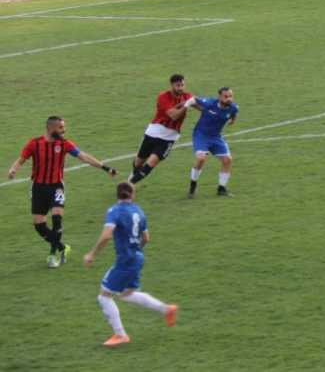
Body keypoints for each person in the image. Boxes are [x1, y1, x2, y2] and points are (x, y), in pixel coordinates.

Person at [6, 116, 117, 268]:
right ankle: (62, 248)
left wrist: (106, 168)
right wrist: (13, 170)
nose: (64, 131)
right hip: (38, 187)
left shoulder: (64, 144)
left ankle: (52, 255)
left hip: (56, 186)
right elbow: (21, 159)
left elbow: (83, 156)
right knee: (39, 226)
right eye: (61, 128)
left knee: (57, 218)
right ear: (51, 128)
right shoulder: (35, 143)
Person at [83, 182, 178, 347]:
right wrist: (135, 250)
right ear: (132, 194)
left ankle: (120, 335)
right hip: (137, 258)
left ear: (117, 194)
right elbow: (146, 238)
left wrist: (92, 254)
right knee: (127, 294)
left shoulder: (114, 211)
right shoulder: (138, 211)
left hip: (125, 261)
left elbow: (106, 236)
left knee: (104, 296)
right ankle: (166, 309)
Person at [129, 74, 193, 186]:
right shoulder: (163, 97)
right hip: (154, 132)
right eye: (178, 85)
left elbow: (200, 104)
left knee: (151, 163)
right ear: (172, 85)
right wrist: (186, 105)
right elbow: (174, 116)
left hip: (169, 137)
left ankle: (129, 185)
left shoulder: (187, 96)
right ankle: (133, 176)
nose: (181, 88)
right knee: (139, 162)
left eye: (182, 85)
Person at [185, 86, 240, 198]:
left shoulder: (233, 108)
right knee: (201, 158)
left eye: (230, 96)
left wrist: (232, 121)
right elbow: (193, 99)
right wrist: (185, 107)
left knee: (227, 160)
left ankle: (221, 189)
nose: (229, 98)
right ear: (219, 97)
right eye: (226, 96)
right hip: (201, 136)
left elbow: (234, 113)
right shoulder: (210, 103)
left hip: (216, 137)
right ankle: (192, 186)